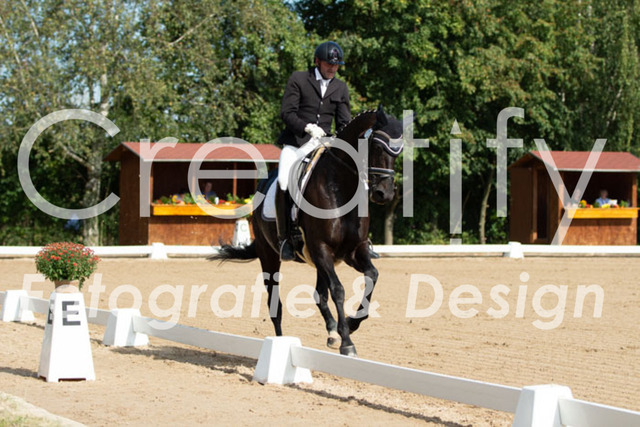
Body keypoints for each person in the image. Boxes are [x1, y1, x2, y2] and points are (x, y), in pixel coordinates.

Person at [275, 41, 351, 261]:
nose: (333, 68)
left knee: (355, 179)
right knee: (283, 180)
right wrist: (307, 127)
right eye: (329, 64)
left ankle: (359, 236)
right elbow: (287, 113)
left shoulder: (341, 88)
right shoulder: (299, 79)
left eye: (336, 65)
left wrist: (340, 139)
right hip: (297, 142)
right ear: (317, 61)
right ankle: (285, 238)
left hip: (324, 145)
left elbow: (344, 122)